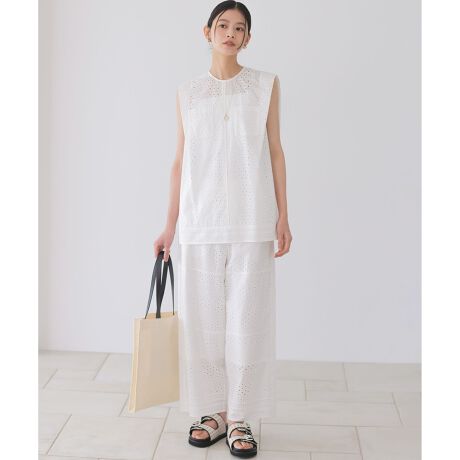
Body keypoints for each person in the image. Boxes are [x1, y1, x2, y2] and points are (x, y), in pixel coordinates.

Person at [154, 1, 292, 457]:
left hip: (253, 220)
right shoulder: (188, 93)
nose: (230, 33)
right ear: (207, 32)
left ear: (248, 38)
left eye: (239, 28)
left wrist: (283, 215)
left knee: (248, 323)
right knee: (204, 324)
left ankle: (241, 416)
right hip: (199, 222)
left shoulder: (265, 86)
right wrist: (169, 227)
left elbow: (275, 151)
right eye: (223, 25)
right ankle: (212, 412)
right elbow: (180, 161)